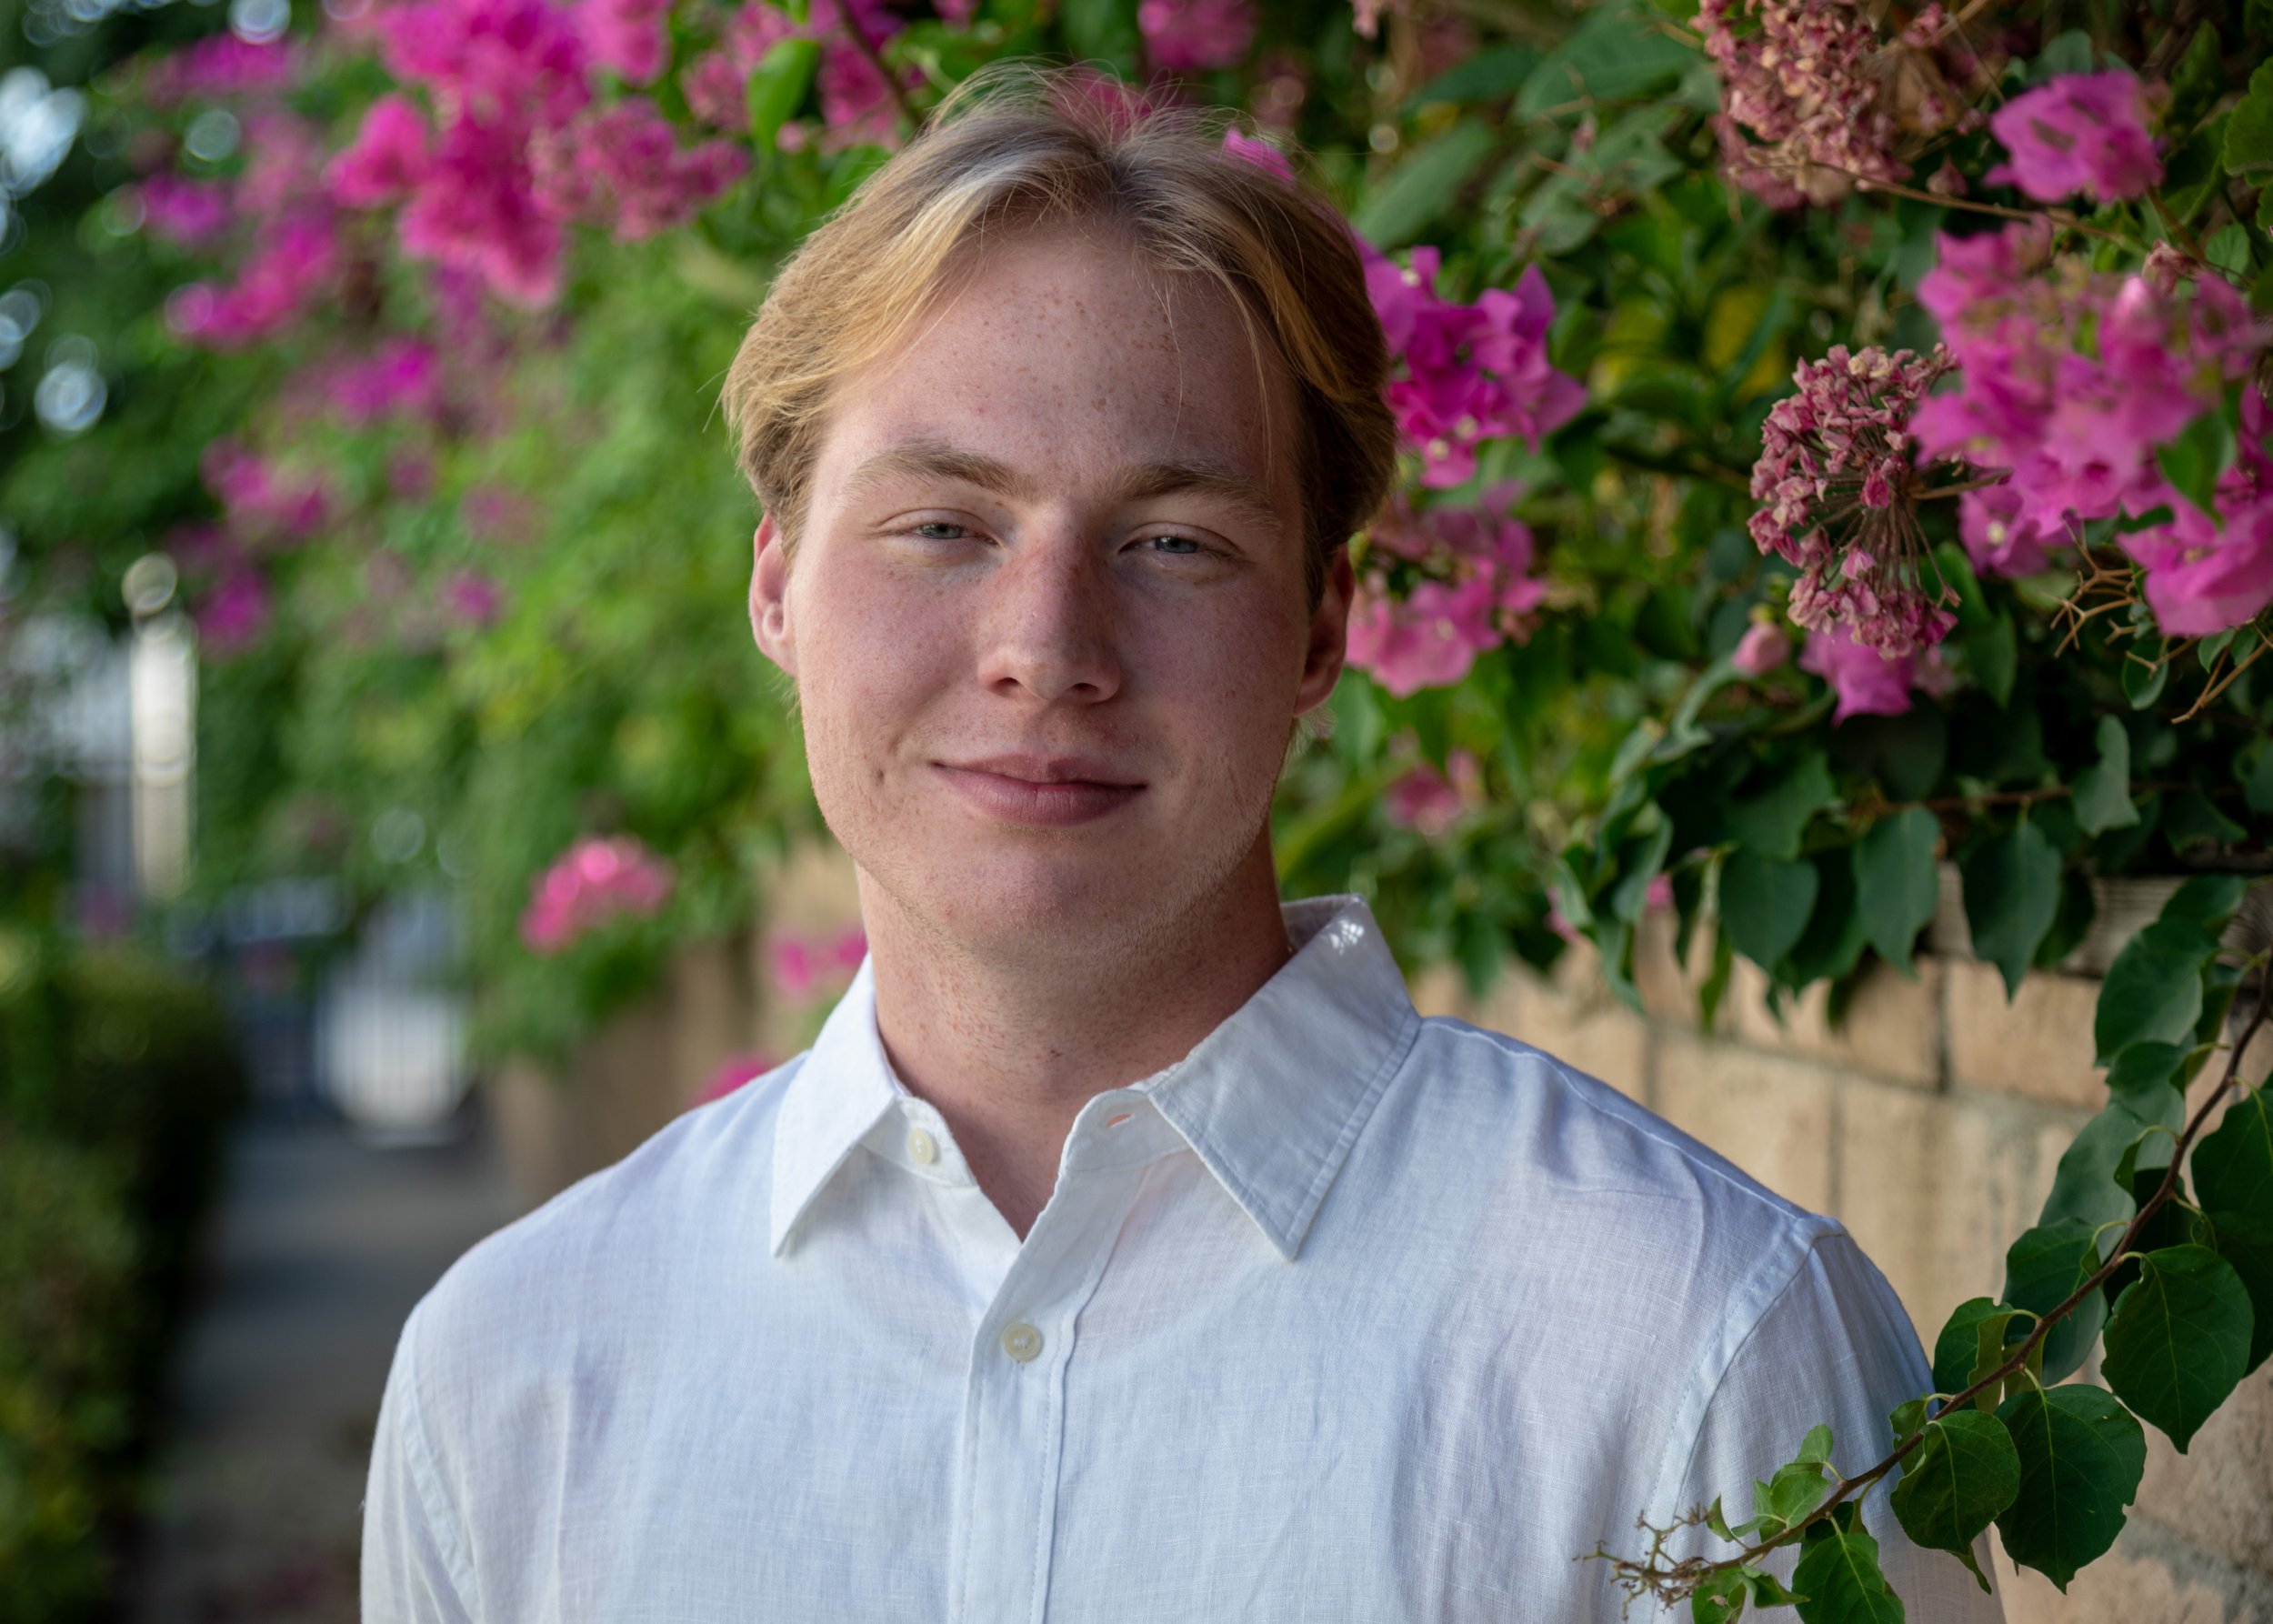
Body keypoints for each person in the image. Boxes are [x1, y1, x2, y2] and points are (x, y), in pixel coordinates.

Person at [362, 65, 2004, 1622]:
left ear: (1320, 628)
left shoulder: (1703, 1342)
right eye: (941, 524)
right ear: (777, 585)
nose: (1046, 646)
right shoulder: (511, 1382)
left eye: (1171, 541)